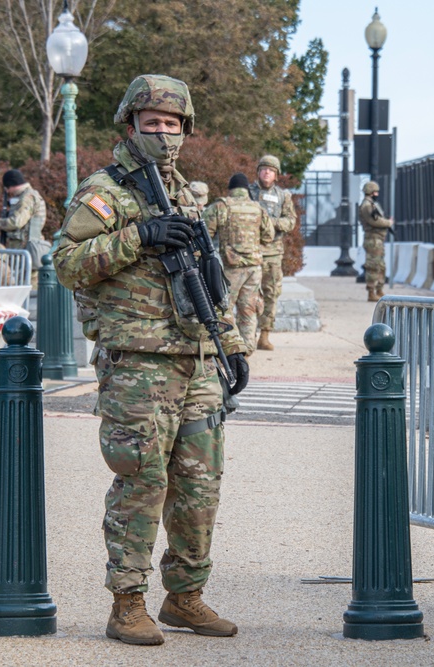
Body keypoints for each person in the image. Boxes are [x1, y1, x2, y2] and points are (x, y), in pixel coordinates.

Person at [52, 74, 249, 646]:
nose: (163, 134)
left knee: (200, 484)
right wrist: (139, 237)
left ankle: (185, 596)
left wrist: (231, 345)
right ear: (131, 125)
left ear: (184, 130)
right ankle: (127, 603)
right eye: (152, 123)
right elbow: (67, 262)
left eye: (172, 125)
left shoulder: (186, 191)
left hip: (198, 357)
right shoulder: (106, 192)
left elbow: (210, 280)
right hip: (139, 361)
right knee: (142, 481)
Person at [203, 173, 274, 354]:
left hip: (230, 269)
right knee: (249, 310)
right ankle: (246, 351)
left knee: (223, 309)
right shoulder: (258, 208)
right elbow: (269, 236)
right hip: (254, 268)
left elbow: (204, 234)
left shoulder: (221, 206)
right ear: (246, 190)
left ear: (231, 189)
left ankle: (226, 350)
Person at [248, 154, 296, 351]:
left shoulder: (283, 196)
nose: (267, 172)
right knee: (249, 295)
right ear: (258, 171)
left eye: (271, 170)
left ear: (276, 175)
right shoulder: (248, 192)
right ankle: (248, 334)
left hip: (273, 253)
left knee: (271, 293)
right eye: (264, 168)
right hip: (251, 252)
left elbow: (290, 221)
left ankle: (265, 335)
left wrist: (271, 222)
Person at [0, 169, 50, 268]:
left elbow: (16, 222)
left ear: (11, 185)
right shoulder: (29, 195)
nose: (7, 191)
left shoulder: (26, 198)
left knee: (23, 280)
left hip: (24, 248)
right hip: (29, 248)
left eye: (6, 188)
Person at [358, 180, 394, 302]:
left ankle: (379, 289)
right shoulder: (367, 206)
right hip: (372, 239)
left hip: (377, 239)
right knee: (373, 266)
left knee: (380, 265)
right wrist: (388, 223)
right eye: (375, 191)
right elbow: (374, 221)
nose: (377, 194)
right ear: (371, 192)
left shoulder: (371, 204)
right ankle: (371, 291)